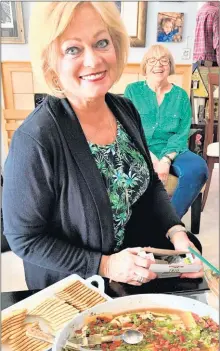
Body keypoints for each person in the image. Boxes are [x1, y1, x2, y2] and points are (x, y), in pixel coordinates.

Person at [2, 2, 203, 290]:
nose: (94, 61)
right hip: (78, 288)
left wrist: (177, 232)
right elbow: (24, 239)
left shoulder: (125, 110)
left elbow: (150, 187)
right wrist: (105, 264)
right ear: (50, 61)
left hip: (137, 274)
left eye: (101, 42)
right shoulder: (35, 139)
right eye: (73, 49)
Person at [124, 44, 208, 219]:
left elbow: (181, 133)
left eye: (164, 60)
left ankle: (168, 223)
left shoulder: (180, 96)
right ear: (145, 66)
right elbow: (129, 127)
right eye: (153, 60)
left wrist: (166, 159)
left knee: (198, 168)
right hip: (140, 148)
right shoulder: (132, 91)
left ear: (170, 66)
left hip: (173, 149)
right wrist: (151, 157)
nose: (159, 65)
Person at [193, 1, 220, 66]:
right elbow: (218, 41)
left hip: (198, 59)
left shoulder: (200, 10)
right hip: (212, 61)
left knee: (198, 76)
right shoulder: (217, 12)